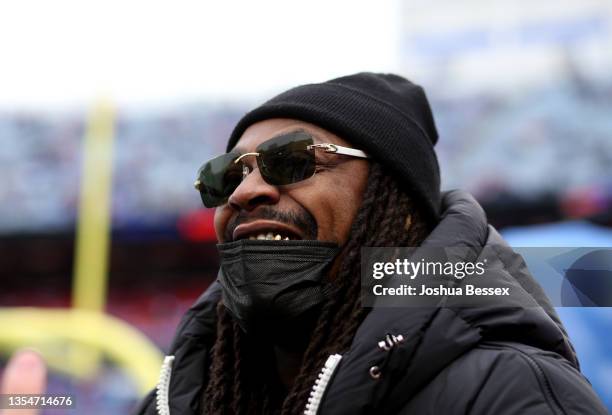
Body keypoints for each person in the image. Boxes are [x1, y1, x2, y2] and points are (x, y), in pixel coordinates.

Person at [135, 73, 608, 414]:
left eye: (293, 160)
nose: (243, 192)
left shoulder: (511, 391)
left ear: (396, 206)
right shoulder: (179, 396)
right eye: (227, 175)